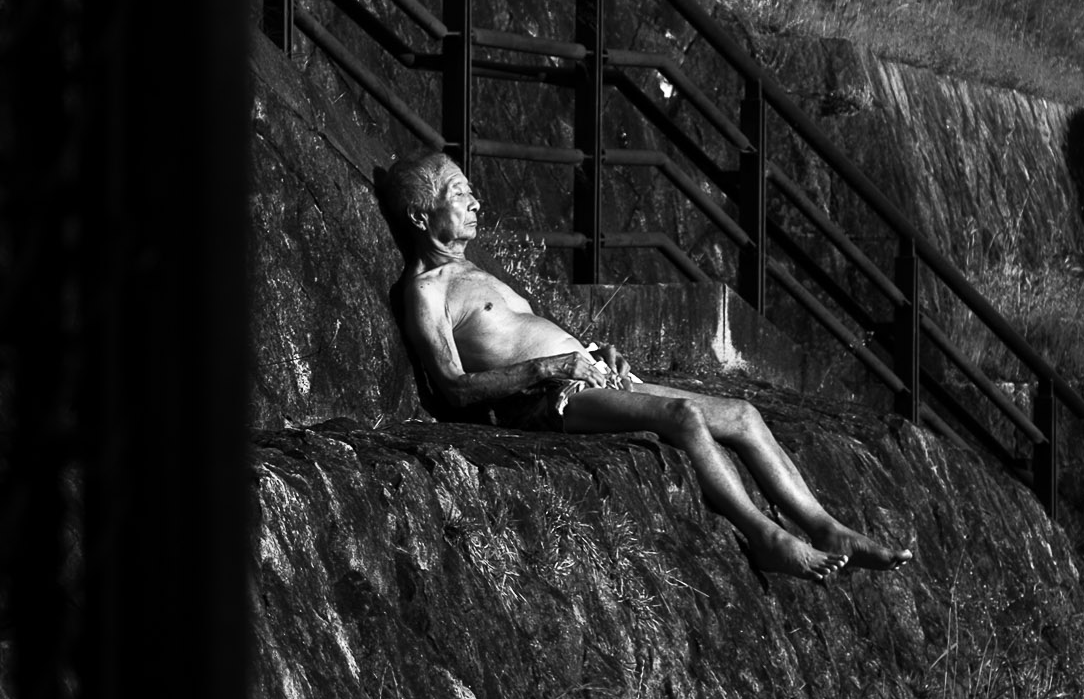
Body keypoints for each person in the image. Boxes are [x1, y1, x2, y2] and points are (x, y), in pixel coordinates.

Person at [383, 151, 911, 582]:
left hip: (585, 374)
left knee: (745, 415)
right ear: (420, 215)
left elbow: (522, 335)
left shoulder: (474, 270)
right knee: (683, 416)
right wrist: (550, 369)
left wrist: (590, 355)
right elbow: (453, 389)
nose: (477, 201)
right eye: (459, 192)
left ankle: (825, 526)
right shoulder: (428, 291)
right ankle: (767, 537)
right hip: (546, 400)